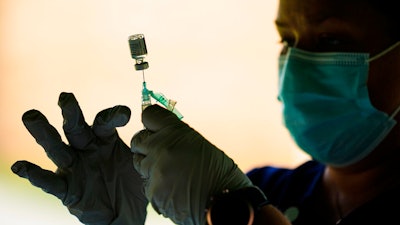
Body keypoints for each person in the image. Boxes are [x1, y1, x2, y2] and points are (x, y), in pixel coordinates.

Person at [11, 0, 400, 224]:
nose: (296, 64)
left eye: (331, 39)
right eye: (287, 40)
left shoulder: (238, 201)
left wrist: (237, 215)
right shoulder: (268, 189)